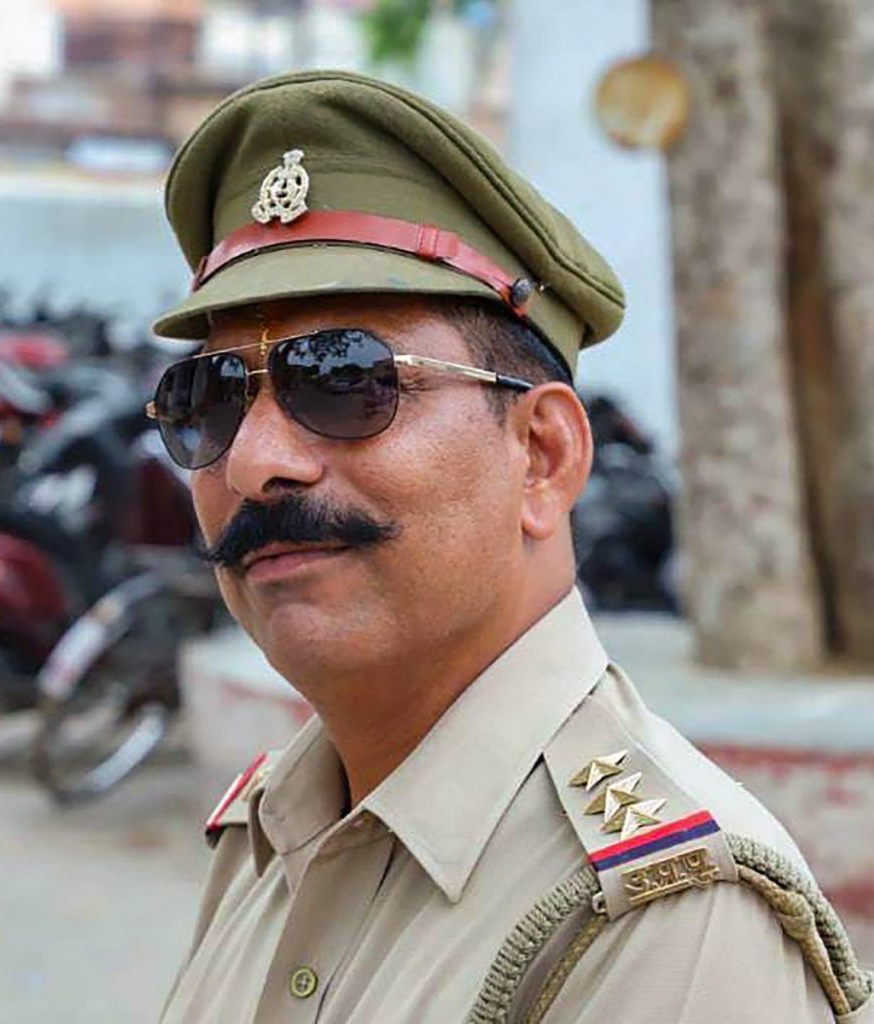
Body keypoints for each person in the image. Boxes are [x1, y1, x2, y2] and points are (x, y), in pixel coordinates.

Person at [147, 70, 872, 1023]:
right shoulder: (273, 827)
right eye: (209, 399)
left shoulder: (664, 922)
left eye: (344, 380)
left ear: (543, 455)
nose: (253, 463)